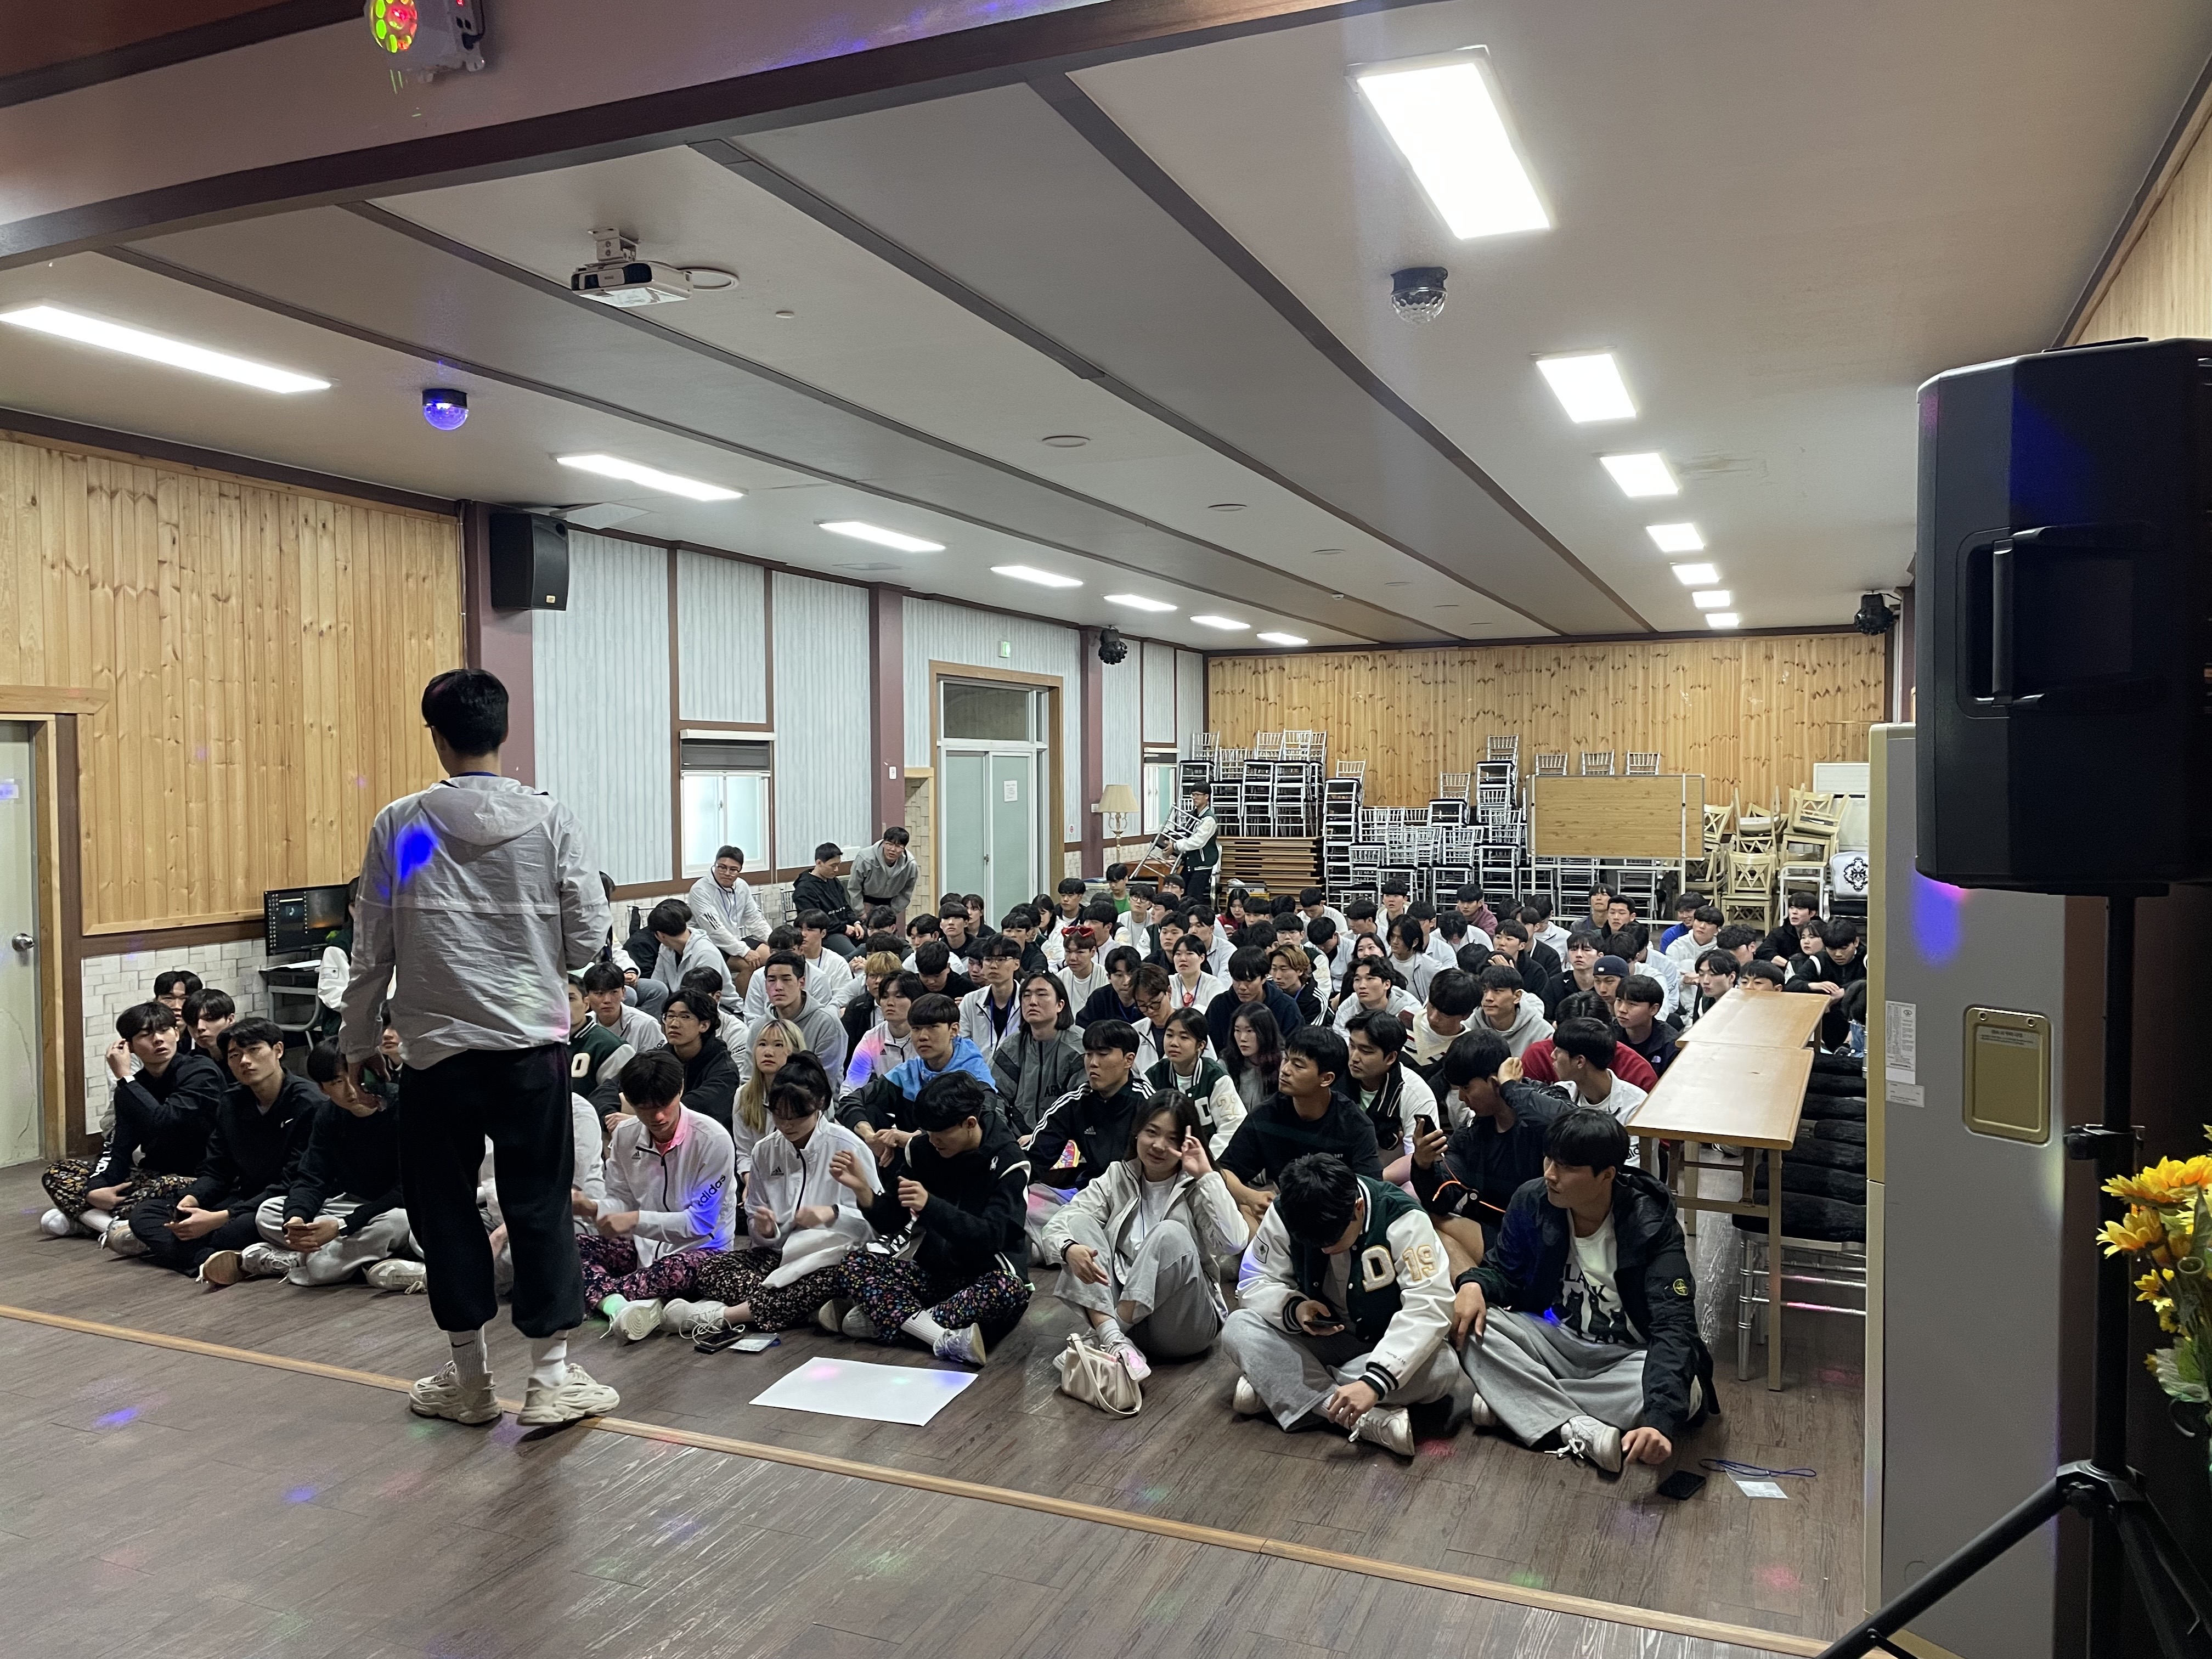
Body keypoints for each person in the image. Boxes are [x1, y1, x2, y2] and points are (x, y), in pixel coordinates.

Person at [338, 669, 618, 1426]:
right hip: (530, 1052)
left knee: (445, 1213)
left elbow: (373, 947)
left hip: (435, 1055)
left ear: (436, 736)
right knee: (539, 1205)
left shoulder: (405, 826)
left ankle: (469, 1381)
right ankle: (551, 1380)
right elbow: (587, 938)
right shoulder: (551, 820)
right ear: (504, 730)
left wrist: (357, 1040)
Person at [1451, 1108, 1712, 1474]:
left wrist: (1659, 1423)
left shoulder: (1651, 1224)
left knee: (1687, 1392)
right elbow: (1504, 1272)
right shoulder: (1533, 1200)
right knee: (1476, 1325)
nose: (1550, 1174)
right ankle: (1573, 1426)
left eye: (1567, 1168)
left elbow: (1673, 1326)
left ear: (1607, 1175)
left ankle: (1515, 1403)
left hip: (1627, 1357)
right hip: (1557, 1340)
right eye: (1549, 1160)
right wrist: (1474, 1284)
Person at [1223, 1153, 1460, 1457]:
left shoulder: (1403, 1217)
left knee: (1443, 1368)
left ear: (1357, 1208)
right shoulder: (1286, 1210)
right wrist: (1295, 1309)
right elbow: (1254, 1280)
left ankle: (1281, 1386)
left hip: (1382, 1346)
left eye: (1332, 1240)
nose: (1324, 1250)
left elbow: (1430, 1306)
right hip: (1322, 1341)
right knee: (1239, 1326)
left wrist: (1375, 1382)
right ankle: (1358, 1418)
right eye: (1314, 1244)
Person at [669, 1054, 883, 1339]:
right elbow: (758, 1223)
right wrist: (766, 1231)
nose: (787, 1125)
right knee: (711, 1267)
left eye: (797, 1117)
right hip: (780, 1256)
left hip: (832, 1259)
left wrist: (833, 1215)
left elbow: (879, 1227)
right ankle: (804, 1309)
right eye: (779, 1115)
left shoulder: (848, 1147)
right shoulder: (765, 1150)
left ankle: (722, 1316)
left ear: (820, 1105)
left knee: (834, 1278)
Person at [828, 1071, 1032, 1367]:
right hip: (934, 1276)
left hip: (986, 1279)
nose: (932, 1141)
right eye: (927, 1132)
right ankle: (941, 1337)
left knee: (1007, 1290)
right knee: (854, 1263)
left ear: (970, 1123)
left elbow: (992, 1237)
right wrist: (864, 1192)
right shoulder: (923, 1150)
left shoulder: (1010, 1162)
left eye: (940, 1133)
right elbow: (892, 1221)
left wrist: (931, 1206)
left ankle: (889, 1320)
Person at [1040, 1091, 1245, 1382]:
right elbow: (1058, 1224)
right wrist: (1068, 1249)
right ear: (1137, 1132)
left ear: (1188, 1144)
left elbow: (1235, 1242)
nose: (1159, 1146)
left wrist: (1206, 1175)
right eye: (1152, 1132)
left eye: (1173, 1139)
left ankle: (1107, 1337)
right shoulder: (1118, 1176)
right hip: (1132, 1326)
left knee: (1170, 1233)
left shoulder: (1198, 1185)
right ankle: (1116, 1342)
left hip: (1181, 1326)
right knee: (1079, 1223)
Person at [213, 1041, 420, 1289]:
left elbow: (409, 1189)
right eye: (337, 1082)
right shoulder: (328, 1115)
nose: (352, 1090)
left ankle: (295, 1261)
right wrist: (296, 1219)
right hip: (352, 1204)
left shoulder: (404, 1107)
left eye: (358, 1077)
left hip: (402, 1207)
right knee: (268, 1212)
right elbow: (312, 1176)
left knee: (398, 1222)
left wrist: (342, 1226)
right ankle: (360, 1260)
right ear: (322, 1088)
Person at [128, 1020, 317, 1280]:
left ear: (278, 1050)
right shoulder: (231, 1101)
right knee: (145, 1215)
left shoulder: (308, 1103)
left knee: (232, 1230)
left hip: (283, 1201)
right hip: (243, 1195)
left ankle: (194, 1253)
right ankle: (218, 1261)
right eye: (235, 1055)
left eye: (254, 1050)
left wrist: (218, 1218)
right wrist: (192, 1200)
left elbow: (295, 1181)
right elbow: (217, 1170)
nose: (245, 1061)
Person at [575, 1049, 739, 1342]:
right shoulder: (625, 1135)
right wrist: (592, 1207)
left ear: (681, 1089)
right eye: (645, 1108)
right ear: (629, 1100)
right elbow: (621, 1199)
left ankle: (608, 1298)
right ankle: (623, 1306)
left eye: (665, 1104)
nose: (658, 1116)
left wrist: (634, 1220)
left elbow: (700, 1224)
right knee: (572, 1248)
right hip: (644, 1251)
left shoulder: (713, 1139)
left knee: (672, 1271)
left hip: (703, 1252)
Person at [41, 1000, 225, 1240]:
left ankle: (93, 1221)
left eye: (164, 1030)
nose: (158, 1040)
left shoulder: (201, 1072)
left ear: (177, 1034)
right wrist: (95, 1189)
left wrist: (126, 1078)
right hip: (153, 1172)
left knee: (167, 1186)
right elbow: (118, 1148)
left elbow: (164, 1122)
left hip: (200, 1180)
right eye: (145, 1035)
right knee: (58, 1171)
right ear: (129, 1046)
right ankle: (112, 1226)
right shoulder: (131, 1088)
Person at [1414, 1030, 1568, 1269]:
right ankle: (1474, 1285)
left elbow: (1570, 1129)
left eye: (1467, 1087)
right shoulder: (1473, 1133)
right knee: (1425, 1220)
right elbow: (1442, 1200)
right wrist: (1424, 1165)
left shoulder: (1546, 1099)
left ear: (1495, 1082)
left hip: (1549, 1236)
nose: (1462, 1098)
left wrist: (1511, 1089)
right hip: (1500, 1233)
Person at [1215, 1024, 1381, 1231]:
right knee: (1237, 1211)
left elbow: (1370, 1191)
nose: (1285, 1070)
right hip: (1286, 1216)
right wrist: (1249, 1196)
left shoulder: (1355, 1125)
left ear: (1326, 1079)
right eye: (1286, 1059)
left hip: (1339, 1220)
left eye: (1298, 1065)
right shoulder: (1267, 1116)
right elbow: (1223, 1171)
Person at [1025, 1020, 1155, 1234]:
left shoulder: (1149, 1105)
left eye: (1103, 1054)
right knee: (1030, 1199)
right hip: (1088, 1196)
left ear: (1129, 1060)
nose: (1093, 1063)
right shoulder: (1075, 1102)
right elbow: (1034, 1159)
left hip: (1138, 1201)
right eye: (1088, 1054)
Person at [840, 992, 998, 1158]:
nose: (923, 1037)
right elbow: (850, 1101)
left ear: (954, 1030)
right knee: (869, 1110)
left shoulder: (974, 1073)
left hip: (964, 1159)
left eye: (932, 1027)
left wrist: (916, 1138)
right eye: (916, 1029)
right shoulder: (909, 1072)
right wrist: (870, 1137)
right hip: (915, 1159)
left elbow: (984, 1115)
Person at [1344, 1009, 1438, 1178]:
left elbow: (1418, 1157)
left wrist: (1369, 1183)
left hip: (1385, 1178)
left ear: (1391, 1058)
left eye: (1366, 1051)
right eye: (1352, 1046)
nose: (1354, 1058)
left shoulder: (1416, 1094)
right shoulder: (1336, 1073)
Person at [991, 970, 1086, 1133]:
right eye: (1027, 996)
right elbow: (995, 1097)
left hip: (1064, 1138)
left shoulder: (1078, 1047)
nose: (1032, 1002)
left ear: (1060, 1005)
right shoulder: (1012, 1046)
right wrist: (1003, 1137)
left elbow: (1081, 1106)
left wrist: (1043, 1138)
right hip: (1016, 1137)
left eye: (1042, 994)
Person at [1549, 1017, 1650, 1163]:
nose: (1552, 1056)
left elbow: (1631, 1171)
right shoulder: (1561, 1094)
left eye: (1558, 1051)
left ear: (1580, 1061)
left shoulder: (1637, 1106)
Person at [1145, 1007, 1244, 1155]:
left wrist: (1207, 1161)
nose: (1174, 1043)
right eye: (1169, 1035)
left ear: (1201, 1045)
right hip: (1165, 1155)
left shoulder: (1215, 1077)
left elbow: (1232, 1127)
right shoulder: (1154, 1076)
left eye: (1184, 1038)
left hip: (1208, 1158)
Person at [742, 951, 849, 1083]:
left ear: (801, 983)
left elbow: (826, 1082)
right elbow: (749, 1078)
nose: (778, 987)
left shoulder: (827, 1024)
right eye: (772, 980)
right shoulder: (760, 1026)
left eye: (786, 979)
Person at [731, 1016, 810, 1178]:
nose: (768, 1052)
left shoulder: (810, 1095)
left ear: (795, 1053)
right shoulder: (744, 1095)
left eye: (778, 1045)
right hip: (758, 1176)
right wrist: (750, 1180)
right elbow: (745, 1153)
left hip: (801, 1177)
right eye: (762, 1044)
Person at [652, 986, 740, 1133]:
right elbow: (619, 1087)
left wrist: (645, 1113)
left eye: (685, 1017)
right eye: (670, 1016)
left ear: (704, 1025)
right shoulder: (659, 1058)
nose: (674, 1024)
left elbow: (700, 1106)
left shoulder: (724, 1069)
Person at [687, 845, 771, 983]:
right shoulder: (700, 889)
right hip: (709, 944)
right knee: (749, 965)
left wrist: (774, 942)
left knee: (773, 957)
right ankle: (741, 997)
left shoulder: (742, 886)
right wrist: (745, 951)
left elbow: (755, 919)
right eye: (722, 867)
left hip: (734, 940)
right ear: (715, 865)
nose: (727, 873)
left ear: (740, 870)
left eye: (733, 870)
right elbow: (714, 931)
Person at [647, 899, 737, 1015]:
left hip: (720, 1009)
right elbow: (657, 985)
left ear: (660, 935)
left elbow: (706, 999)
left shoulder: (706, 953)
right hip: (684, 1006)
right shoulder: (666, 948)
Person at [844, 969, 922, 1098]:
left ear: (915, 1001)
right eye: (885, 997)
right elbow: (853, 1084)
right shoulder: (872, 1038)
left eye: (899, 996)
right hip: (888, 1104)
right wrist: (849, 1107)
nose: (890, 1003)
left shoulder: (926, 1036)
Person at [579, 961, 665, 1057]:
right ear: (586, 996)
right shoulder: (582, 1025)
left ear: (624, 993)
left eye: (614, 992)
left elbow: (659, 1061)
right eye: (599, 994)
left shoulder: (646, 1025)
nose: (607, 1000)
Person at [792, 843, 864, 955]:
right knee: (855, 955)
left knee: (876, 942)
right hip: (826, 933)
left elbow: (845, 906)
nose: (836, 870)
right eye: (833, 866)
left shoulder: (833, 880)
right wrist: (844, 928)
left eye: (838, 865)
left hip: (845, 927)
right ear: (819, 863)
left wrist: (856, 923)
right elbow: (816, 921)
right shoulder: (804, 889)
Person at [959, 935, 1025, 1053]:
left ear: (1017, 964)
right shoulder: (971, 1000)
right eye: (988, 959)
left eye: (1001, 959)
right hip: (978, 1064)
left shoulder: (1027, 1001)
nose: (993, 966)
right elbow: (961, 1043)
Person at [1221, 1001, 1284, 1119]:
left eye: (1250, 1031)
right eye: (1237, 1030)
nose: (1243, 1038)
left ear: (1265, 1032)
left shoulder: (1284, 1064)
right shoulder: (1226, 1064)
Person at [1409, 968, 1478, 1074]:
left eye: (1445, 1015)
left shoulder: (1465, 1048)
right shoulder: (1405, 1019)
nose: (1433, 1018)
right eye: (1432, 1006)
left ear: (1466, 1016)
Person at [1475, 964, 1551, 1057]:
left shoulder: (1542, 1032)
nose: (1488, 998)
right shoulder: (1470, 1026)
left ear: (1517, 996)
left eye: (1497, 991)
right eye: (1484, 990)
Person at [1331, 956, 1422, 1031]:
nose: (1362, 986)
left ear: (1387, 984)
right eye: (1357, 980)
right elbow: (1339, 1041)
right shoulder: (1348, 1006)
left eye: (1370, 979)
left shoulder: (1410, 1009)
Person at [1613, 976, 1679, 1077]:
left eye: (1631, 1004)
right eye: (1619, 1001)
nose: (1622, 1009)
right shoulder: (1608, 1035)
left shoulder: (1671, 1045)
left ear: (1653, 1009)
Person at [848, 826, 917, 921]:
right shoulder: (865, 858)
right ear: (884, 843)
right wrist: (860, 911)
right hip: (865, 903)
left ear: (904, 848)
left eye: (898, 846)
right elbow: (854, 887)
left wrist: (893, 911)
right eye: (890, 844)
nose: (893, 849)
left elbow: (907, 891)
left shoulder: (910, 864)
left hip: (889, 906)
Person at [1171, 782, 1219, 910]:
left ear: (1207, 797)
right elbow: (1188, 835)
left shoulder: (1209, 819)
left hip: (1202, 865)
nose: (1194, 798)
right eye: (1193, 795)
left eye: (1198, 795)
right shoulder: (1195, 815)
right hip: (1191, 863)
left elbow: (1197, 841)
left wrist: (1175, 846)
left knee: (1193, 899)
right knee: (1184, 895)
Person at [1757, 891, 1821, 967]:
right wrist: (1790, 966)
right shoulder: (1780, 933)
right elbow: (1763, 951)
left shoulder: (1823, 931)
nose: (1794, 912)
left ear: (1812, 913)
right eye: (1792, 908)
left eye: (1800, 909)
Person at [1168, 932, 1226, 1012]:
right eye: (1178, 954)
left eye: (1189, 953)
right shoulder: (1168, 982)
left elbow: (1217, 1013)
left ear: (1202, 958)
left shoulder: (1213, 984)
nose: (1183, 959)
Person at [1385, 916, 1437, 1004]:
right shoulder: (1383, 958)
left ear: (1415, 942)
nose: (1394, 942)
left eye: (1400, 938)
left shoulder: (1429, 966)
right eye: (1392, 937)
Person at [1056, 924, 1110, 1009]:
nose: (1073, 958)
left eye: (1080, 952)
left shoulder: (1105, 977)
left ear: (1093, 952)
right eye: (1068, 952)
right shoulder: (1060, 978)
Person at [1268, 945, 1323, 1025]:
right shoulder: (1267, 988)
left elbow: (1308, 1032)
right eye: (1274, 969)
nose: (1278, 976)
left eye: (1284, 969)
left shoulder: (1315, 1000)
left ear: (1300, 971)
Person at [1683, 948, 1737, 1025]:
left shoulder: (1743, 1004)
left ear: (1731, 977)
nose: (1705, 981)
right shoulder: (1705, 1001)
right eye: (1701, 974)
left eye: (1713, 974)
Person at [1666, 904, 1723, 971]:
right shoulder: (1677, 947)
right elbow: (1670, 974)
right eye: (1699, 921)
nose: (1702, 926)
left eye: (1709, 923)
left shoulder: (1721, 950)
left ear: (1717, 929)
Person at [185, 989, 239, 1057]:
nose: (200, 1027)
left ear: (230, 1020)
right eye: (193, 1021)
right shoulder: (190, 1060)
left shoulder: (246, 1055)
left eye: (210, 1019)